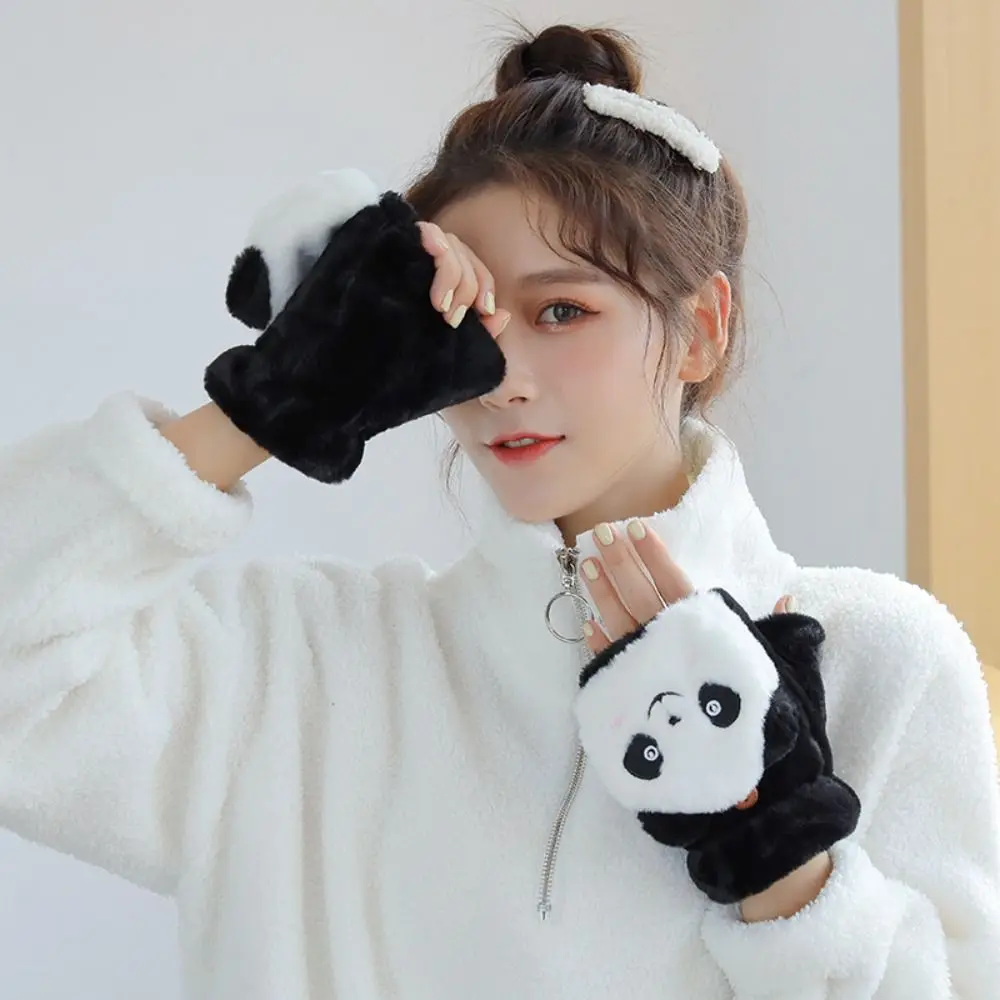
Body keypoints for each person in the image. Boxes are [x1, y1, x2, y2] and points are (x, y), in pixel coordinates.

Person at [1, 22, 998, 1000]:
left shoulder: (873, 664)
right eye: (467, 320)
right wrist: (270, 402)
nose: (502, 377)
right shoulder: (299, 667)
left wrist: (775, 848)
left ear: (699, 329)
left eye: (563, 311)